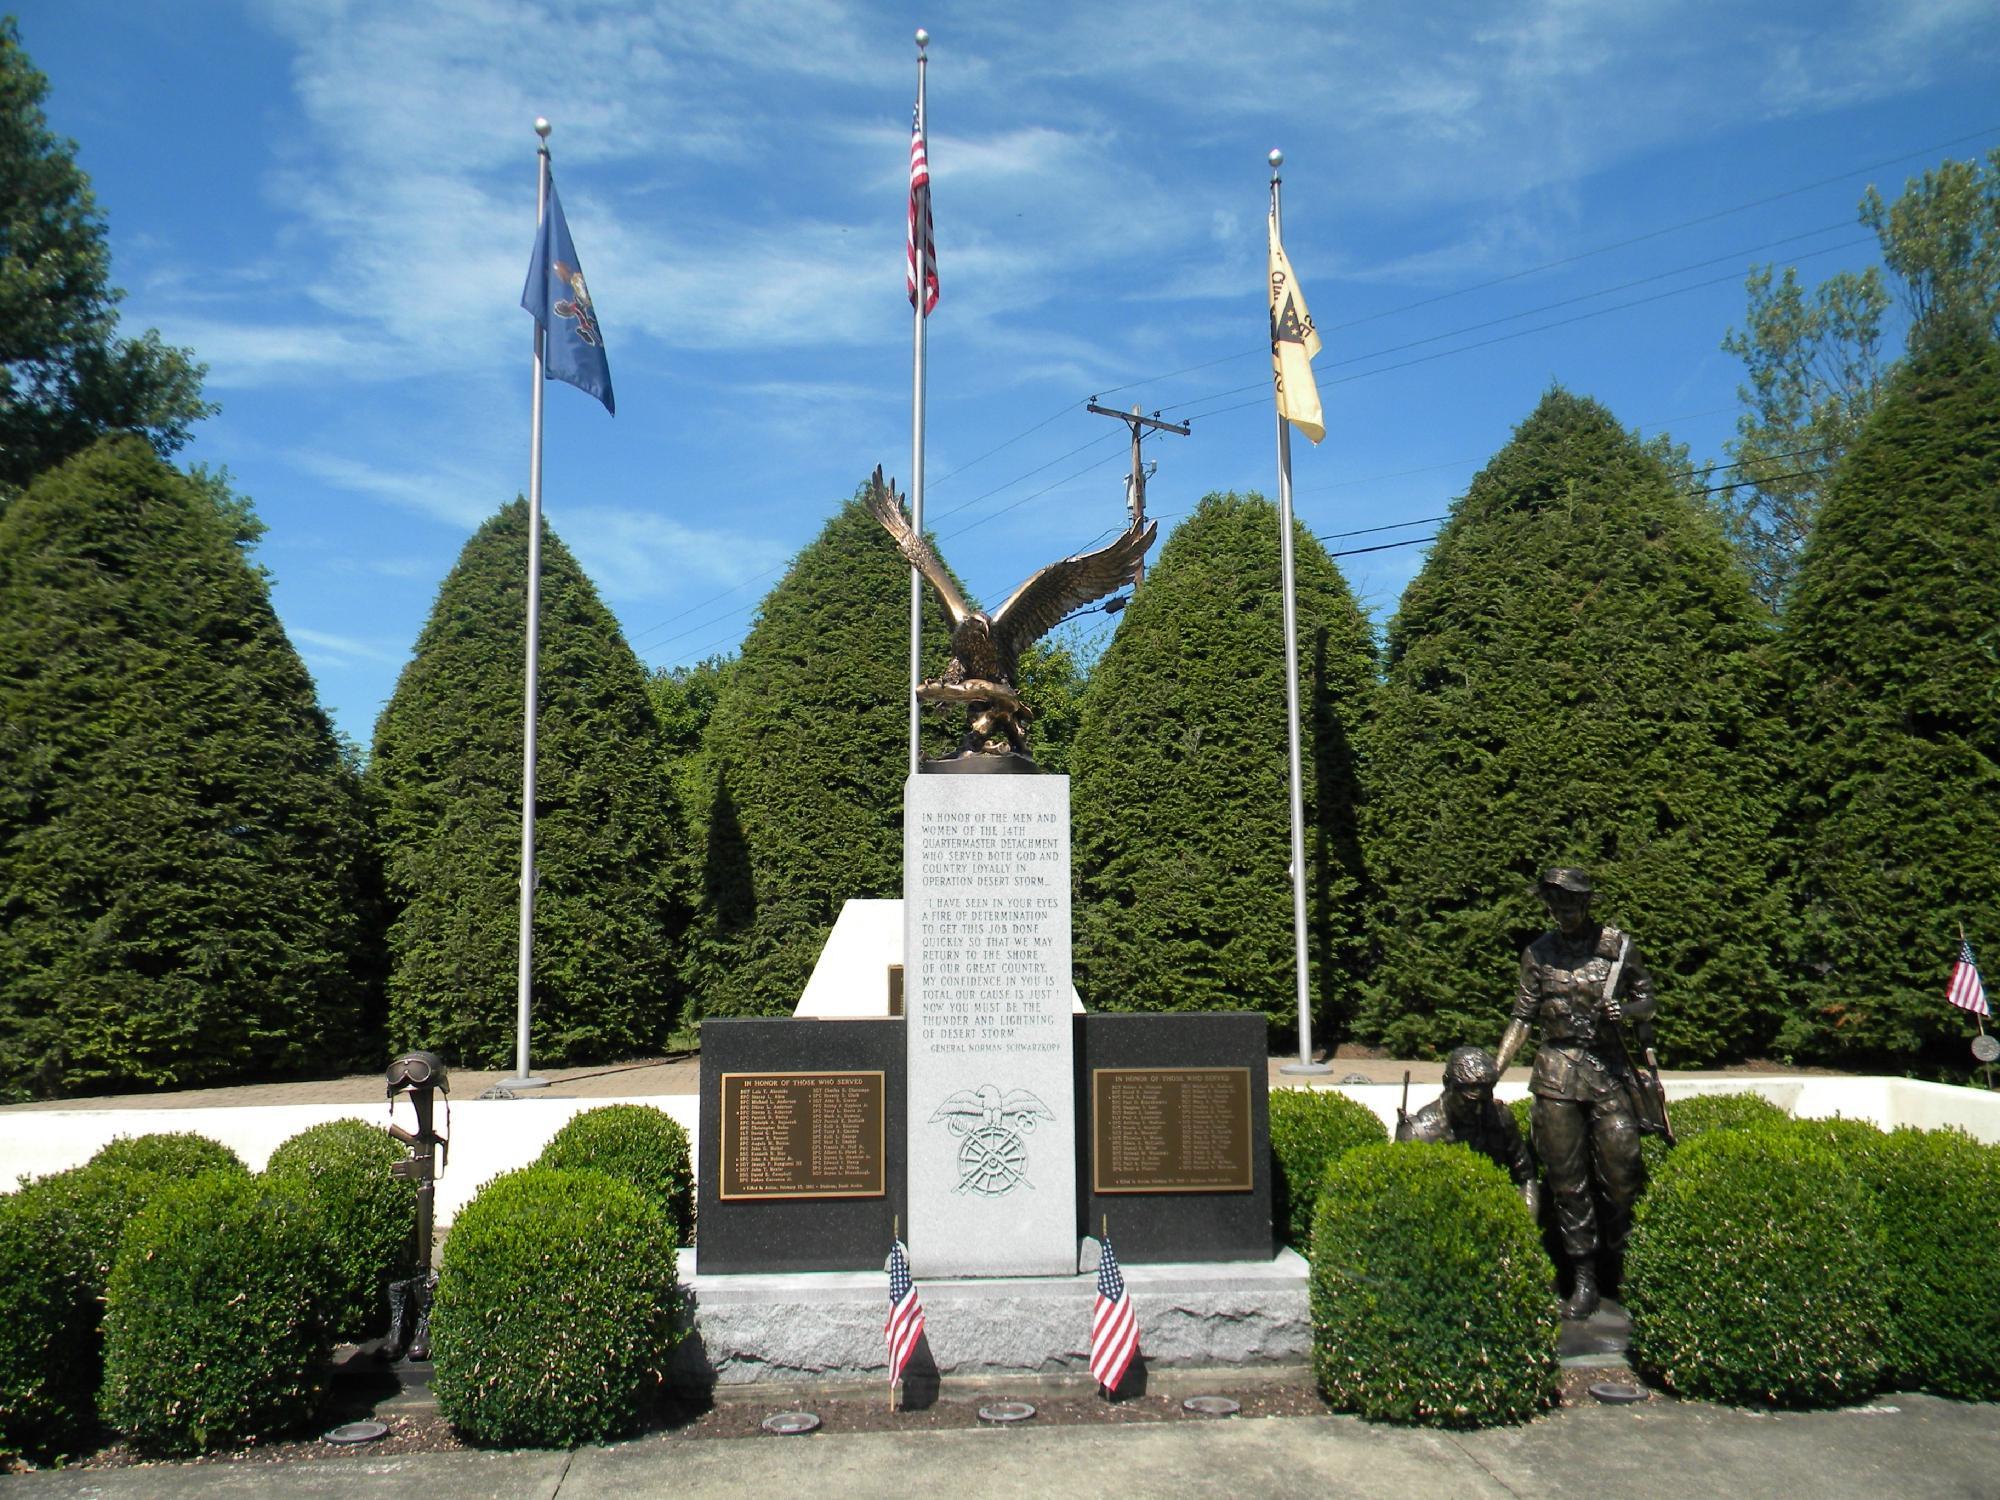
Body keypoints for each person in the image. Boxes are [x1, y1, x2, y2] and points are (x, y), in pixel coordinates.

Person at [1494, 867, 1655, 1319]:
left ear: (1586, 904)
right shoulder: (1538, 954)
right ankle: (1583, 1280)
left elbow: (1649, 1000)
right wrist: (1496, 1068)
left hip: (1606, 1072)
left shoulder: (1618, 949)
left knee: (1623, 1168)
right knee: (1567, 1184)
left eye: (1570, 904)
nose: (1563, 913)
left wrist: (1623, 1010)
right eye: (1555, 905)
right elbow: (1522, 1018)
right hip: (1556, 1074)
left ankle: (1620, 1265)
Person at [1395, 1046, 1539, 1216]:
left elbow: (1526, 1177)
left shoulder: (1501, 1118)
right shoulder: (1416, 1134)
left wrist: (1526, 1222)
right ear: (1447, 1084)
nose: (1478, 1110)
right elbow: (1404, 1201)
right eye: (1470, 1102)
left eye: (1485, 1101)